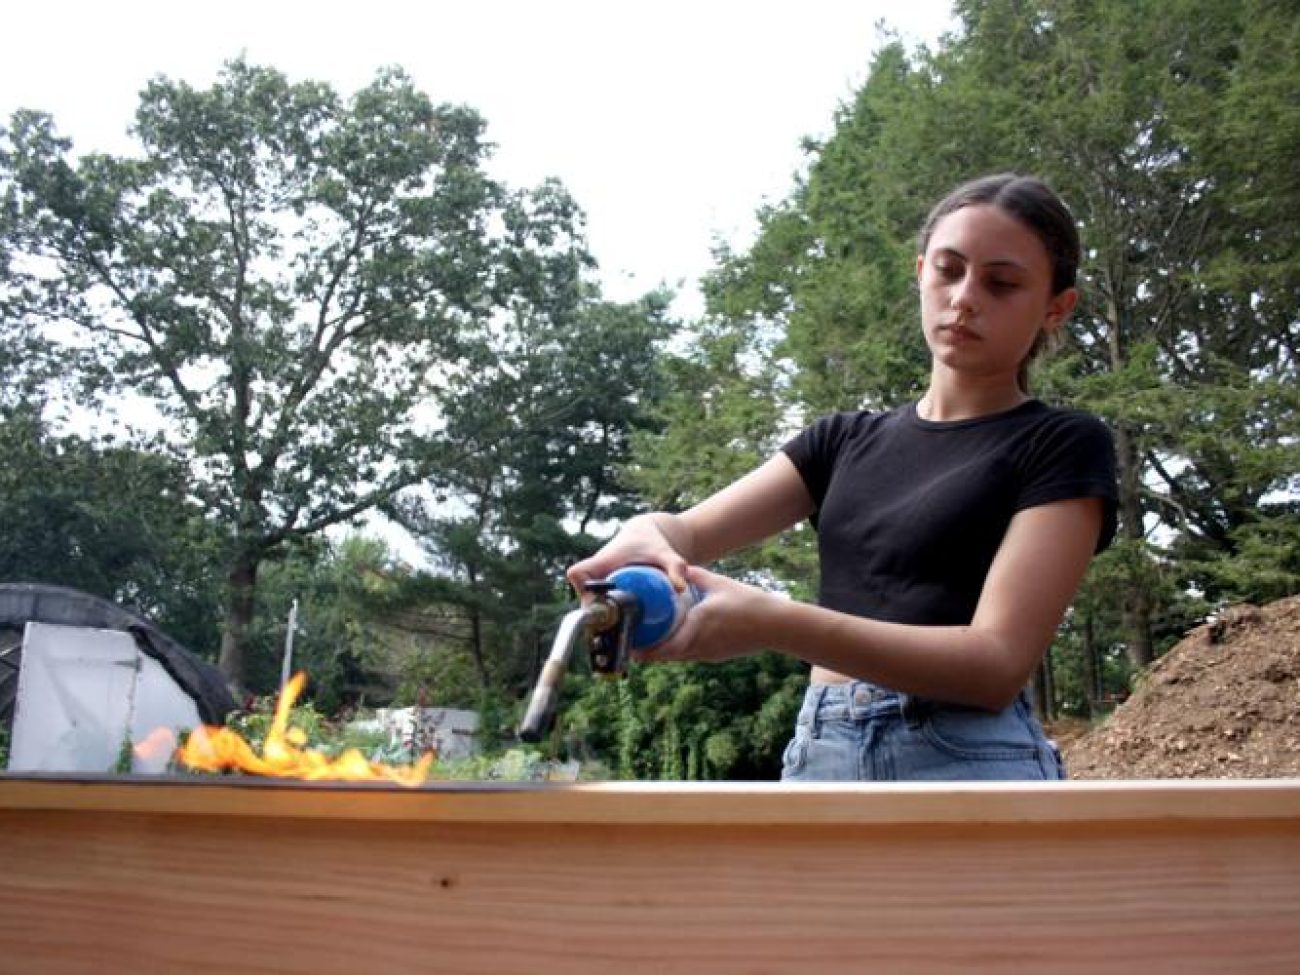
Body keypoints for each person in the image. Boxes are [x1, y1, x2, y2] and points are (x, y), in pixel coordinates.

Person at [567, 173, 1118, 781]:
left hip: (968, 756)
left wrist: (771, 621)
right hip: (822, 747)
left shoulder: (1062, 444)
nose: (965, 297)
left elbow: (995, 665)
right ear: (919, 272)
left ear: (1056, 307)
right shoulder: (840, 441)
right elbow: (685, 534)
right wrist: (646, 531)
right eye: (948, 269)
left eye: (1002, 283)